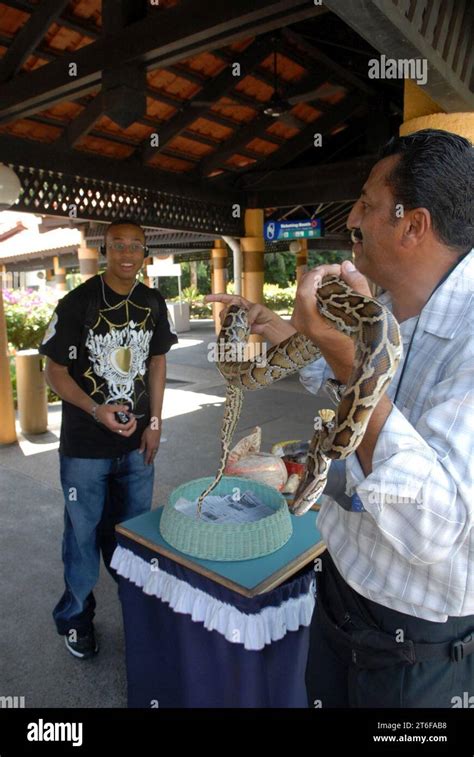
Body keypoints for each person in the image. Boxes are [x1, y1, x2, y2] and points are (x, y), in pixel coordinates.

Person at [206, 129, 474, 708]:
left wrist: (348, 357)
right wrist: (280, 328)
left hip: (415, 644)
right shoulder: (383, 308)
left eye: (367, 204)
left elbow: (434, 527)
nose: (351, 217)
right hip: (339, 593)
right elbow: (340, 369)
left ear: (413, 224)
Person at [40, 218, 178, 659]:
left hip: (136, 445)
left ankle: (138, 611)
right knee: (81, 536)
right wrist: (95, 409)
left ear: (144, 253)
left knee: (135, 533)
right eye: (118, 245)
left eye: (135, 246)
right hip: (85, 448)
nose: (126, 254)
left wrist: (154, 423)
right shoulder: (76, 303)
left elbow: (156, 363)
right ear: (105, 249)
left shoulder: (152, 301)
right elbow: (53, 371)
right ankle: (76, 617)